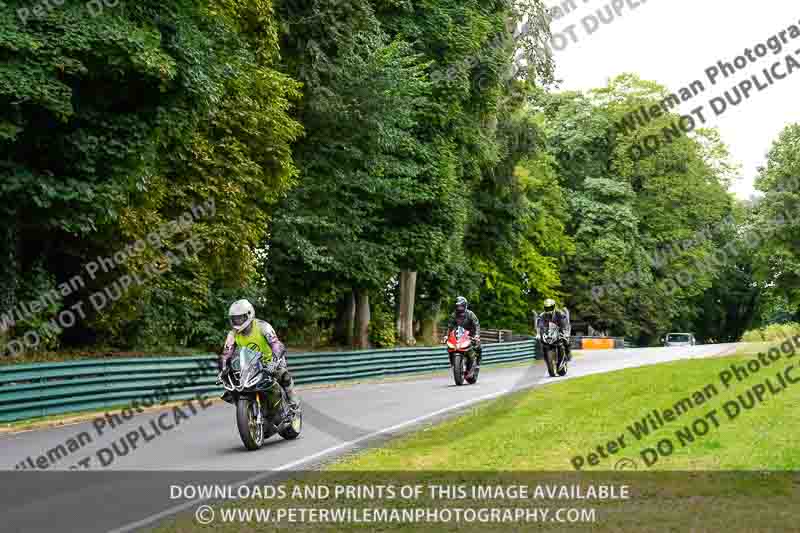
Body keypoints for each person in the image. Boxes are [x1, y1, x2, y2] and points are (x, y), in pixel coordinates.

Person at [218, 299, 300, 410]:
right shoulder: (232, 334)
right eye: (234, 318)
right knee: (233, 386)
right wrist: (223, 368)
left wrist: (273, 362)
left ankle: (293, 403)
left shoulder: (263, 326)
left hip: (271, 362)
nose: (237, 321)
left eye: (240, 317)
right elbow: (226, 353)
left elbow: (277, 345)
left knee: (283, 375)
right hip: (249, 367)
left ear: (249, 314)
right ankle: (246, 410)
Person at [443, 296, 482, 379]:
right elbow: (450, 326)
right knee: (449, 346)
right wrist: (446, 335)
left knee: (478, 347)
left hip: (470, 335)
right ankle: (453, 364)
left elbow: (477, 325)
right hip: (458, 336)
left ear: (465, 305)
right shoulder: (453, 315)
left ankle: (477, 364)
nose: (459, 308)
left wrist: (477, 335)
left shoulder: (470, 314)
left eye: (461, 306)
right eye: (457, 306)